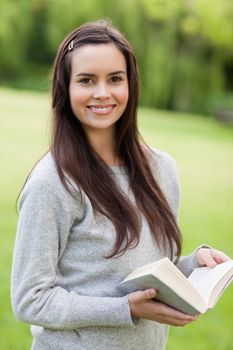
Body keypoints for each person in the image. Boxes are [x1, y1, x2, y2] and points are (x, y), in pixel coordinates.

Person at [11, 19, 230, 350]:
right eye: (86, 80)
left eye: (115, 79)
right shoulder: (52, 182)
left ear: (131, 84)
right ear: (65, 88)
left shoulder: (161, 169)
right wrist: (124, 309)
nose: (103, 93)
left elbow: (147, 270)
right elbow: (30, 300)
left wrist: (192, 266)